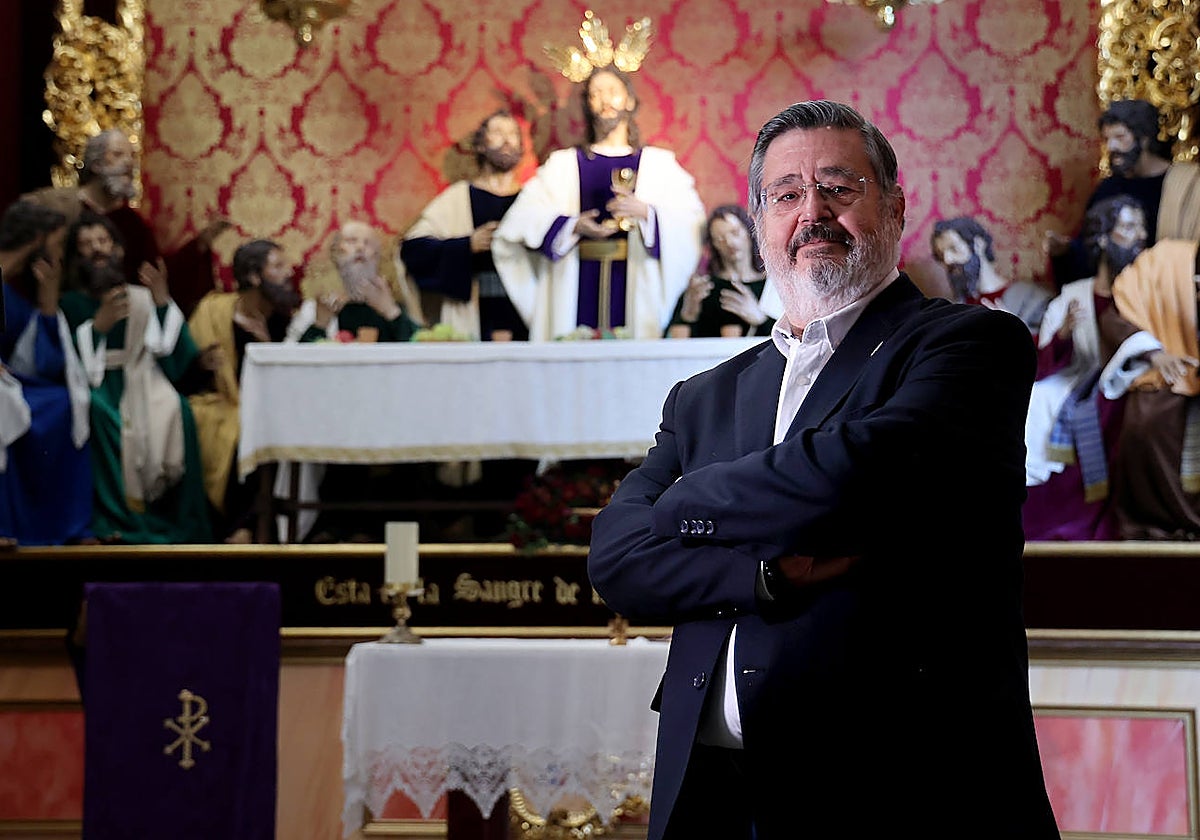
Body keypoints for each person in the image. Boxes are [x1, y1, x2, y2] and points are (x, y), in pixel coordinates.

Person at [587, 100, 1060, 839]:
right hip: (710, 795)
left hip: (902, 787)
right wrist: (765, 577)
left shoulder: (970, 345)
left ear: (894, 208)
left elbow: (858, 474)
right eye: (786, 195)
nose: (813, 212)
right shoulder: (704, 397)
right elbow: (616, 560)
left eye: (839, 188)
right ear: (760, 224)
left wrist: (680, 504)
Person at [492, 67, 705, 339]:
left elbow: (692, 223)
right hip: (573, 288)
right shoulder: (562, 165)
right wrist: (572, 226)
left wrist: (647, 214)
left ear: (629, 100)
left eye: (613, 91)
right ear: (588, 105)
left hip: (637, 289)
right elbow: (519, 222)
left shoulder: (659, 165)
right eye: (596, 93)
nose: (605, 99)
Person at [59, 211, 216, 544]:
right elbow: (65, 359)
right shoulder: (71, 303)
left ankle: (180, 520)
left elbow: (171, 355)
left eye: (103, 241)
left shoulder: (139, 296)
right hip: (99, 381)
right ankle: (118, 518)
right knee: (100, 413)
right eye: (86, 244)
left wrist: (161, 301)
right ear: (76, 256)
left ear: (117, 249)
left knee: (178, 409)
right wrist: (98, 327)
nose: (97, 249)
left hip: (143, 375)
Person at [1023, 195, 1147, 541]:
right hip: (1080, 376)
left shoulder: (1147, 291)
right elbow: (1044, 361)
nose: (1140, 236)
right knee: (1036, 400)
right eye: (1129, 227)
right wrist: (1063, 336)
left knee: (1110, 408)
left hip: (1131, 380)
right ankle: (1043, 518)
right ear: (1103, 238)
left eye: (1142, 227)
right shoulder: (1074, 296)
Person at [22, 128, 230, 318]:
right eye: (118, 154)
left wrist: (200, 244)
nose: (129, 163)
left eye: (132, 156)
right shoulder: (60, 206)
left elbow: (156, 275)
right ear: (95, 164)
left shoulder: (132, 223)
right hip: (65, 314)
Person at [188, 239, 300, 543]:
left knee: (266, 429)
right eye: (278, 266)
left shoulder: (284, 320)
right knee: (235, 430)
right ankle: (236, 528)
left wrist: (268, 346)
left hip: (268, 409)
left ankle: (249, 526)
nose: (289, 272)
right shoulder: (214, 311)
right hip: (221, 404)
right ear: (253, 276)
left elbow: (287, 380)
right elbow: (184, 375)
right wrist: (202, 365)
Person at [0, 201, 92, 546]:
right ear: (38, 238)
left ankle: (64, 527)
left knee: (64, 403)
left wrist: (48, 297)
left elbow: (41, 362)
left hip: (11, 381)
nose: (61, 251)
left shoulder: (14, 287)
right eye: (58, 241)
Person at [1099, 237, 1200, 539]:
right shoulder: (1163, 262)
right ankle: (1159, 525)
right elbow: (1115, 315)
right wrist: (1155, 353)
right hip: (1168, 361)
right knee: (1146, 423)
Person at [399, 110, 529, 341]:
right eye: (498, 132)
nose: (507, 140)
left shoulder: (533, 199)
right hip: (474, 312)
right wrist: (466, 245)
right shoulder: (458, 198)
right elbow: (413, 249)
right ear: (480, 145)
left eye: (513, 134)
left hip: (527, 309)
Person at [1045, 99, 1200, 287]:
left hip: (1171, 289)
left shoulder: (1188, 185)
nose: (1111, 147)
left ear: (1144, 138)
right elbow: (1090, 251)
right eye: (1107, 139)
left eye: (1120, 137)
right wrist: (1064, 251)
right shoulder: (1109, 188)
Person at [289, 220, 421, 343]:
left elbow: (420, 347)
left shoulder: (397, 306)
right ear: (335, 253)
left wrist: (391, 312)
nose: (360, 247)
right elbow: (294, 356)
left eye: (368, 243)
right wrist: (320, 324)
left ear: (376, 256)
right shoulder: (315, 309)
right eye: (351, 241)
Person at [666, 204, 780, 338]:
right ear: (713, 244)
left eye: (735, 233)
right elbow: (674, 344)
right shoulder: (703, 290)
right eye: (720, 238)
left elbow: (793, 340)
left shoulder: (774, 287)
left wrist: (760, 319)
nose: (730, 242)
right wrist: (688, 314)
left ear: (749, 231)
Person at [931, 215, 1051, 335]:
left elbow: (1049, 343)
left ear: (978, 244)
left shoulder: (1031, 297)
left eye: (954, 248)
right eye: (941, 256)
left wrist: (1014, 327)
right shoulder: (953, 311)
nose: (947, 260)